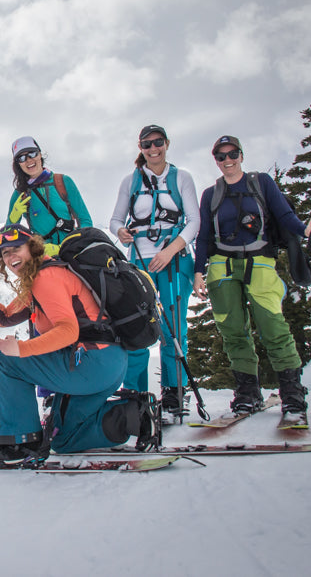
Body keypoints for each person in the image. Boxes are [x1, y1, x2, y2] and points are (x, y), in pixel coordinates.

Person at [0, 224, 158, 467]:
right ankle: (132, 415)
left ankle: (22, 442)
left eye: (16, 249)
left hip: (92, 362)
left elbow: (68, 331)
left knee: (5, 361)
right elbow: (6, 317)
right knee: (63, 439)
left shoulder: (47, 278)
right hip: (106, 363)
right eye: (5, 253)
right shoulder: (41, 276)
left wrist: (21, 349)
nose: (10, 257)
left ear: (33, 248)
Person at [193, 136, 311, 425]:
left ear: (241, 154)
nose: (228, 160)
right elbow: (203, 237)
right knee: (233, 331)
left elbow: (285, 216)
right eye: (221, 156)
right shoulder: (210, 194)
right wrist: (198, 271)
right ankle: (247, 394)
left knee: (273, 326)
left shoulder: (261, 183)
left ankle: (292, 395)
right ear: (215, 159)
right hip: (221, 268)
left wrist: (306, 230)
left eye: (232, 154)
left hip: (261, 263)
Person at [109, 124, 200, 416]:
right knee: (136, 327)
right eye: (147, 145)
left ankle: (174, 392)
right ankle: (134, 393)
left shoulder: (182, 178)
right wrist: (121, 232)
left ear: (167, 143)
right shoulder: (131, 181)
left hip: (175, 261)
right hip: (138, 263)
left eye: (157, 142)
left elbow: (194, 222)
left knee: (173, 327)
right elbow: (114, 221)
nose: (153, 149)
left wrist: (170, 250)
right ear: (141, 148)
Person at [6, 136, 92, 256]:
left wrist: (66, 246)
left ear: (40, 154)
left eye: (32, 153)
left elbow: (85, 221)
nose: (28, 160)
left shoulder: (63, 182)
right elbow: (7, 237)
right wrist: (13, 218)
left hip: (72, 254)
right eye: (21, 158)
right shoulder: (20, 194)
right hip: (43, 258)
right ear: (18, 164)